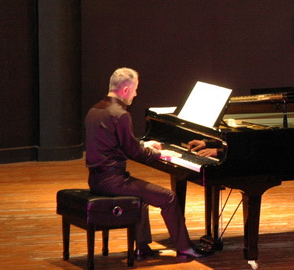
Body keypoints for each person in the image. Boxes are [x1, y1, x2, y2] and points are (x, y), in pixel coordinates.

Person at [85, 67, 210, 259]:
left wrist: (144, 144)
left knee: (142, 197)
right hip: (113, 181)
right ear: (125, 90)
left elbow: (117, 144)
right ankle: (185, 248)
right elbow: (134, 153)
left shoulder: (95, 110)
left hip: (96, 179)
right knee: (169, 198)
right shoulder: (120, 114)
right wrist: (159, 153)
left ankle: (142, 248)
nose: (136, 94)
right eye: (135, 89)